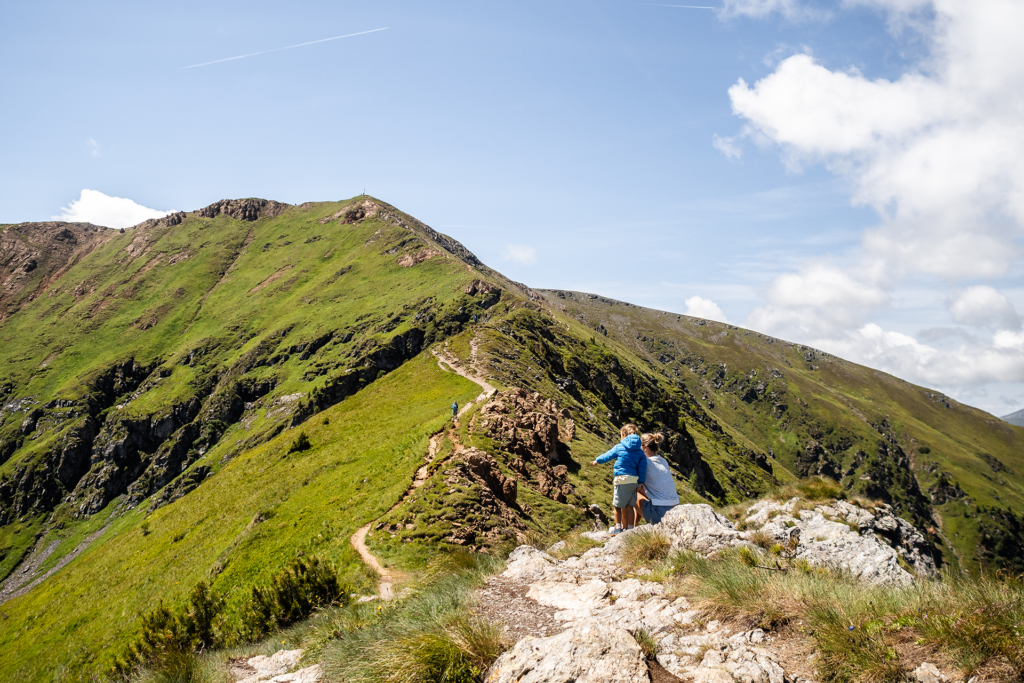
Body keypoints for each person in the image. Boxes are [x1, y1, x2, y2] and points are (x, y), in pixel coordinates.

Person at [590, 424, 646, 535]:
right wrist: (641, 482)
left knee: (617, 505)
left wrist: (597, 460)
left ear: (624, 435)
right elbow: (642, 467)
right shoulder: (640, 452)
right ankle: (630, 528)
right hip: (633, 481)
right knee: (630, 506)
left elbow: (608, 455)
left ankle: (618, 527)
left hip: (621, 480)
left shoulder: (619, 447)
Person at [635, 433, 679, 524]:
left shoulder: (644, 463)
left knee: (630, 492)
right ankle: (634, 526)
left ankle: (627, 527)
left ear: (645, 447)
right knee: (640, 490)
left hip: (660, 515)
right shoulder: (663, 461)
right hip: (676, 511)